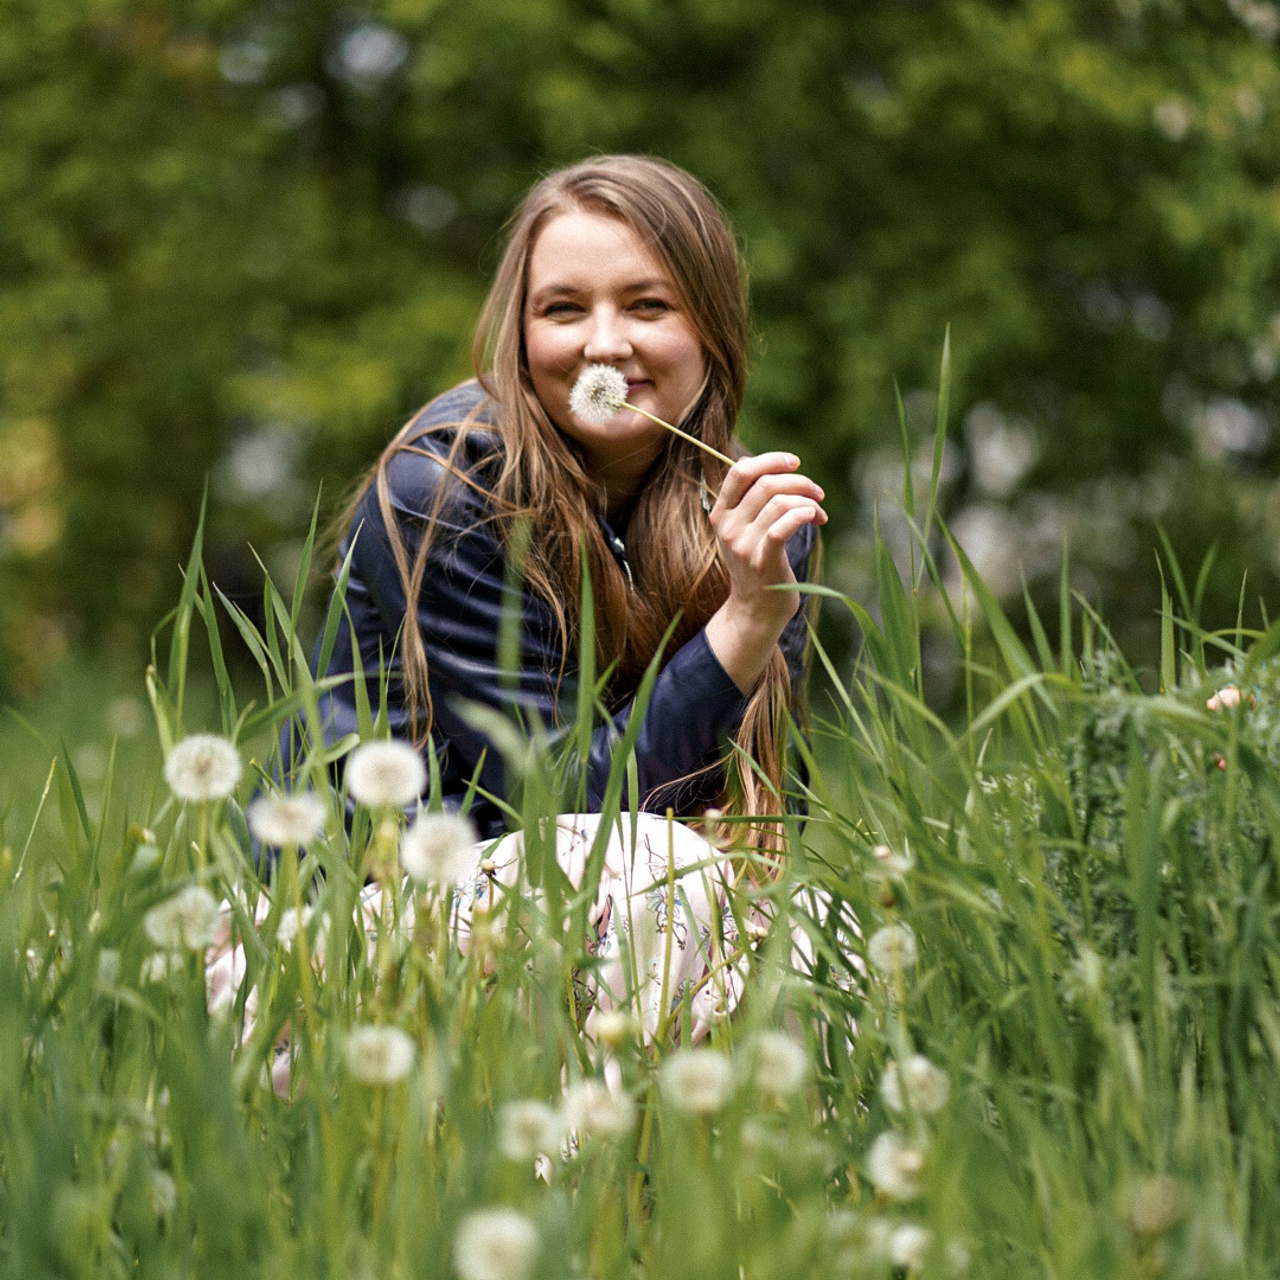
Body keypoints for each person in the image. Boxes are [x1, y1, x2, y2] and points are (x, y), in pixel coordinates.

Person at [257, 156, 828, 1058]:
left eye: (648, 306)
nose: (604, 343)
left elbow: (759, 820)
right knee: (655, 877)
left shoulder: (747, 518)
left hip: (593, 914)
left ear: (712, 327)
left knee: (820, 939)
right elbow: (568, 804)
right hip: (346, 931)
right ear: (519, 333)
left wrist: (753, 598)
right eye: (564, 309)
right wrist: (745, 626)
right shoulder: (447, 487)